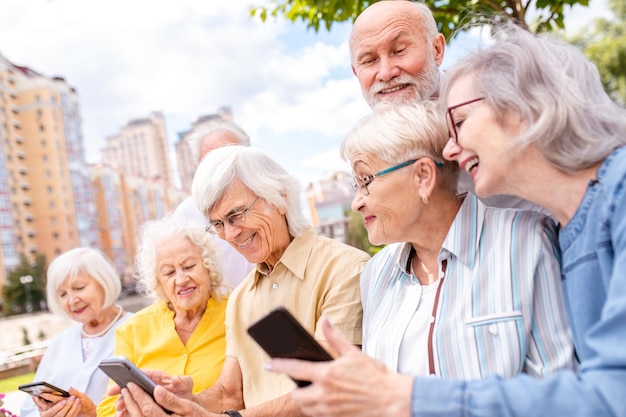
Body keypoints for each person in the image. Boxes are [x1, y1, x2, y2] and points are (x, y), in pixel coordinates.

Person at [268, 24, 626, 417]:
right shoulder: (574, 229)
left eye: (462, 122)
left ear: (523, 110)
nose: (452, 149)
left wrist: (403, 396)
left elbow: (604, 395)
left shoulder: (556, 225)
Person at [111, 145, 370, 417]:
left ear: (280, 198)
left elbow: (329, 387)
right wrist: (185, 401)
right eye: (219, 224)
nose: (231, 234)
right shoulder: (241, 297)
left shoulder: (344, 268)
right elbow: (229, 393)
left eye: (236, 215)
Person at [341, 100, 574, 378]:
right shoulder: (375, 274)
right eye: (355, 184)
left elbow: (560, 384)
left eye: (366, 180)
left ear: (423, 176)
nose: (356, 203)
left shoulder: (527, 241)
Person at [349, 0, 542, 212]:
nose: (386, 73)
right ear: (356, 72)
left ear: (437, 49)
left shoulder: (490, 97)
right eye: (369, 60)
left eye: (400, 50)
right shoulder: (373, 144)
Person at [96, 215, 229, 416]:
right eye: (169, 273)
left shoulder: (236, 312)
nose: (181, 279)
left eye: (189, 266)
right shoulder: (131, 331)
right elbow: (107, 408)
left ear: (207, 266)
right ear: (158, 282)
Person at [20, 248, 132, 417]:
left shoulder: (137, 328)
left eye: (79, 288)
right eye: (63, 294)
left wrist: (95, 414)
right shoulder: (60, 342)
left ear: (104, 282)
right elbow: (27, 410)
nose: (72, 301)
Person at [174, 120, 254, 288]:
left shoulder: (271, 198)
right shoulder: (186, 215)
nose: (221, 168)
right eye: (211, 160)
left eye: (230, 157)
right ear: (197, 168)